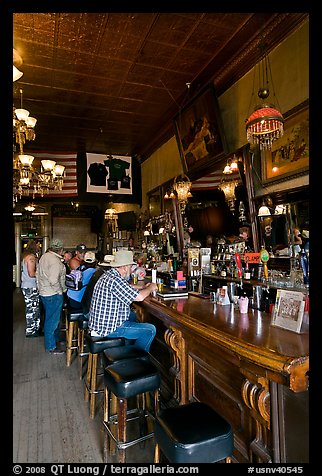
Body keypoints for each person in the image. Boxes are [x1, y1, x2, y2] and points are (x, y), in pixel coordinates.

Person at [88, 250, 157, 352]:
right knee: (150, 330)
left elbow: (126, 287)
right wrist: (151, 287)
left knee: (132, 315)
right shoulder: (115, 280)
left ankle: (127, 348)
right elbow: (140, 298)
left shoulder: (110, 275)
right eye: (130, 267)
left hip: (99, 324)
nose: (131, 270)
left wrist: (142, 286)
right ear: (125, 267)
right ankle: (137, 359)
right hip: (107, 330)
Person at [37, 238, 66, 354]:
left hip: (44, 292)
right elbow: (54, 280)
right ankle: (51, 347)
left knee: (50, 319)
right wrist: (60, 291)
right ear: (61, 250)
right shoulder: (55, 261)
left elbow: (38, 275)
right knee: (52, 321)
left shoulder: (44, 256)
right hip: (52, 294)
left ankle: (54, 341)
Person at [21, 240, 42, 337]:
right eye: (38, 245)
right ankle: (31, 330)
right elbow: (31, 273)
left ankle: (33, 329)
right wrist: (42, 275)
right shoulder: (31, 258)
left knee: (31, 308)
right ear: (34, 246)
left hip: (27, 285)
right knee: (33, 308)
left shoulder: (26, 256)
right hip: (31, 286)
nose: (40, 247)